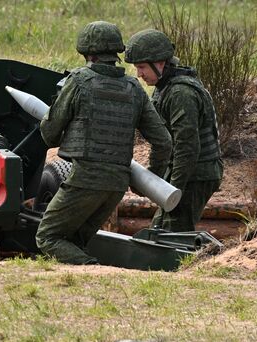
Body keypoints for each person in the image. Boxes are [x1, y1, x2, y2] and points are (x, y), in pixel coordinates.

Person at [36, 21, 172, 265]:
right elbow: (163, 141)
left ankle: (92, 268)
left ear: (88, 53)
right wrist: (151, 177)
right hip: (116, 185)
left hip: (84, 179)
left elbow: (50, 134)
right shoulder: (134, 88)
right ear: (116, 53)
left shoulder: (79, 81)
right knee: (75, 241)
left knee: (48, 237)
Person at [125, 29, 223, 232]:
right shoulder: (166, 87)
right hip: (189, 170)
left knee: (171, 233)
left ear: (160, 63)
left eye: (142, 67)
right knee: (160, 229)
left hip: (198, 173)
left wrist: (172, 191)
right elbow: (163, 140)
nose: (139, 74)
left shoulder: (180, 93)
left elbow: (187, 147)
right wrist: (156, 179)